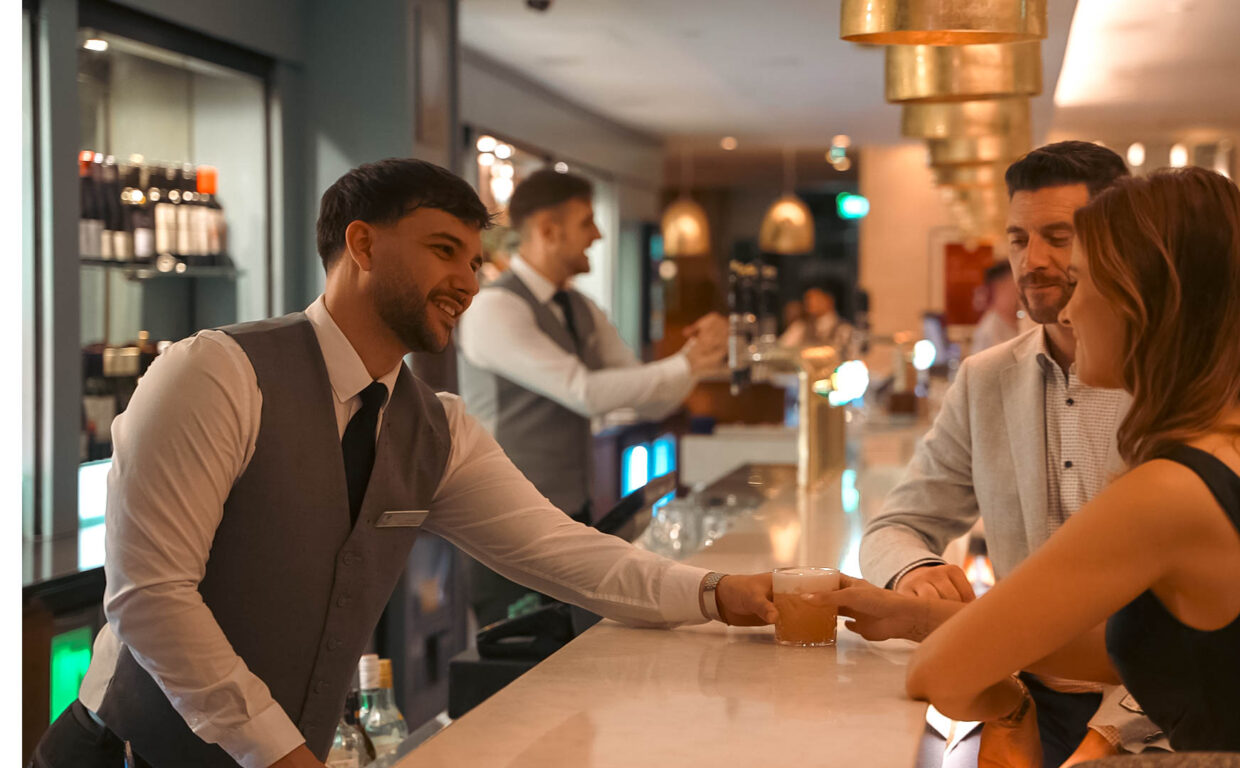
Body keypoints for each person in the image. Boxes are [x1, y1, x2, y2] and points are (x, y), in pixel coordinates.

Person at [32, 159, 778, 768]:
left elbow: (565, 553)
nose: (470, 281)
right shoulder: (217, 373)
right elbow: (151, 597)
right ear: (362, 245)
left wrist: (717, 592)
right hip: (123, 755)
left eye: (476, 259)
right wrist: (281, 754)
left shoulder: (436, 428)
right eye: (443, 250)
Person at [825, 167, 1240, 755]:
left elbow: (936, 675)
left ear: (1144, 302)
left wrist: (963, 656)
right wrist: (917, 615)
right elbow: (1164, 650)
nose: (1067, 311)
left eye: (1080, 280)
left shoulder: (1171, 491)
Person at [858, 141, 1159, 767]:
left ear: (1117, 241)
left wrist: (1109, 736)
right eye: (1019, 239)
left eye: (1059, 236)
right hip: (1034, 700)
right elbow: (894, 526)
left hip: (1162, 713)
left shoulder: (1170, 380)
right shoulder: (987, 379)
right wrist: (912, 571)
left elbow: (1199, 619)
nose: (1032, 260)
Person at [456, 169, 728, 624]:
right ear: (547, 229)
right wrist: (686, 362)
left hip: (570, 517)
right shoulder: (495, 308)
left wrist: (697, 360)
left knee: (570, 659)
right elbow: (583, 392)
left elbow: (651, 399)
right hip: (504, 522)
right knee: (516, 671)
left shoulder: (580, 308)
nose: (598, 235)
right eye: (587, 222)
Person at [778, 283, 854, 351]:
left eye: (815, 298)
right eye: (807, 299)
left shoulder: (843, 329)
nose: (810, 303)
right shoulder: (801, 327)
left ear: (829, 300)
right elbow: (782, 348)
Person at [971, 260, 1020, 354]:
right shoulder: (989, 330)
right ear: (998, 289)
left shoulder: (1021, 322)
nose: (1020, 295)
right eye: (1014, 289)